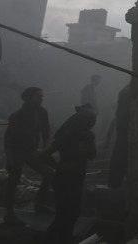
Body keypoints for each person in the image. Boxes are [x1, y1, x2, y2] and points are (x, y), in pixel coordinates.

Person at [43, 103, 97, 244]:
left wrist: (91, 140)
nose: (91, 123)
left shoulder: (87, 136)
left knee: (72, 214)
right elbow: (43, 155)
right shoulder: (67, 135)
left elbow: (91, 155)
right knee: (63, 215)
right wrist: (58, 167)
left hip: (77, 180)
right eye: (89, 120)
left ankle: (64, 240)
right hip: (63, 180)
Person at [3, 87, 54, 226]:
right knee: (13, 182)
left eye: (42, 96)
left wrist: (45, 150)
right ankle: (10, 214)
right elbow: (8, 138)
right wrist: (10, 158)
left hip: (32, 152)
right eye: (38, 96)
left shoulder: (42, 112)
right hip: (17, 152)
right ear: (29, 98)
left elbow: (46, 132)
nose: (41, 99)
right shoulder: (18, 115)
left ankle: (40, 204)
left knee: (49, 174)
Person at [107, 83, 131, 189]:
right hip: (127, 129)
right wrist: (107, 141)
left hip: (123, 130)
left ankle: (115, 182)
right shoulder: (129, 91)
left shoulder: (125, 90)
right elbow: (113, 124)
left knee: (119, 152)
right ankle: (116, 183)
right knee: (122, 153)